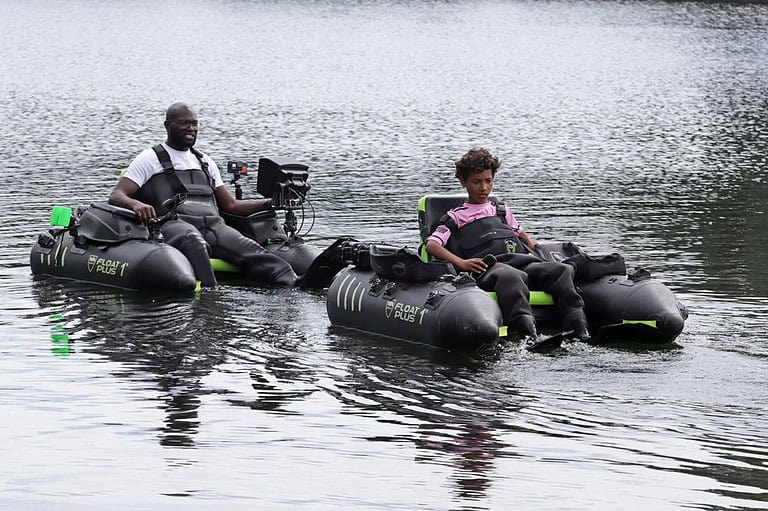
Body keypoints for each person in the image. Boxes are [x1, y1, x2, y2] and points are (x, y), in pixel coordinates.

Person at [109, 102, 297, 287]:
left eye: (194, 123)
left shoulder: (205, 162)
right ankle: (211, 296)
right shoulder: (149, 159)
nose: (191, 128)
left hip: (214, 227)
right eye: (184, 123)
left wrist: (269, 203)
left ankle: (294, 284)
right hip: (173, 225)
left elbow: (230, 206)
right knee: (194, 241)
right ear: (167, 125)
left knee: (250, 248)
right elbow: (117, 195)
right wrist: (136, 205)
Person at [425, 147, 590, 343]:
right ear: (463, 182)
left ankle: (579, 328)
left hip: (521, 262)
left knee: (561, 270)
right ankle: (528, 334)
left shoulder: (501, 211)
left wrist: (541, 253)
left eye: (488, 181)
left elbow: (525, 238)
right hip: (490, 268)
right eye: (476, 182)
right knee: (511, 276)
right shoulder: (455, 217)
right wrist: (462, 263)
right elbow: (432, 245)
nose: (483, 188)